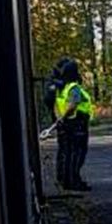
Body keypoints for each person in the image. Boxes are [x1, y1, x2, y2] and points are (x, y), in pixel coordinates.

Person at [55, 59, 93, 191]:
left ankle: (67, 181)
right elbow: (73, 104)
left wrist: (60, 118)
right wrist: (64, 116)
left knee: (68, 153)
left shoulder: (62, 88)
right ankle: (74, 181)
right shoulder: (74, 88)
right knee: (78, 154)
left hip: (68, 123)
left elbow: (57, 105)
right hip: (77, 122)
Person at [43, 57, 72, 187]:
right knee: (65, 148)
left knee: (66, 147)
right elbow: (49, 99)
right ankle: (64, 177)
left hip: (62, 115)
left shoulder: (58, 81)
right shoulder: (57, 82)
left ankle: (64, 176)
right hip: (62, 116)